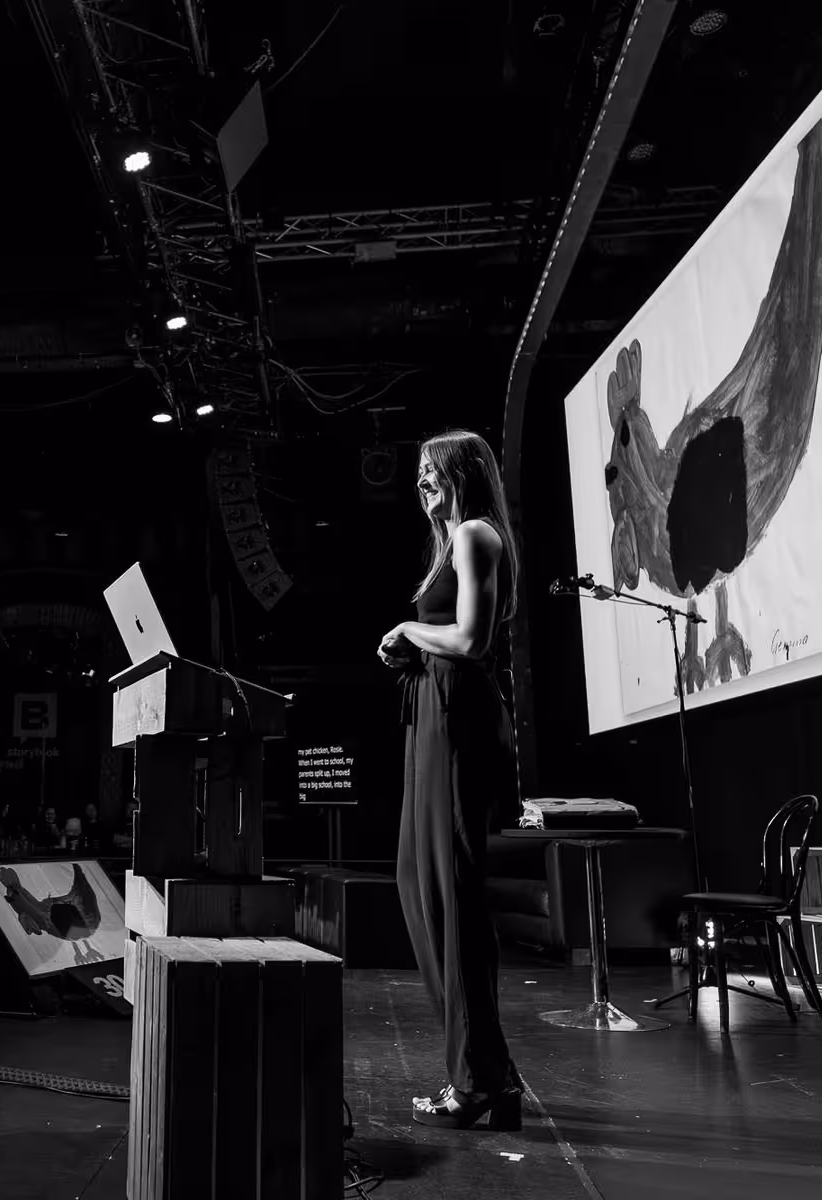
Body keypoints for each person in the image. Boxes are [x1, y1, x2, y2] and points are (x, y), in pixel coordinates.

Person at [377, 428, 522, 1130]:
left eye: (432, 471)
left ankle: (478, 1082)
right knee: (422, 886)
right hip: (434, 715)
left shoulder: (474, 534)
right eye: (418, 473)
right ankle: (485, 1072)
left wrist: (409, 631)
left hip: (457, 720)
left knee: (448, 894)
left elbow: (470, 640)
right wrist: (410, 649)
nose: (422, 483)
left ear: (464, 472)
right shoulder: (455, 540)